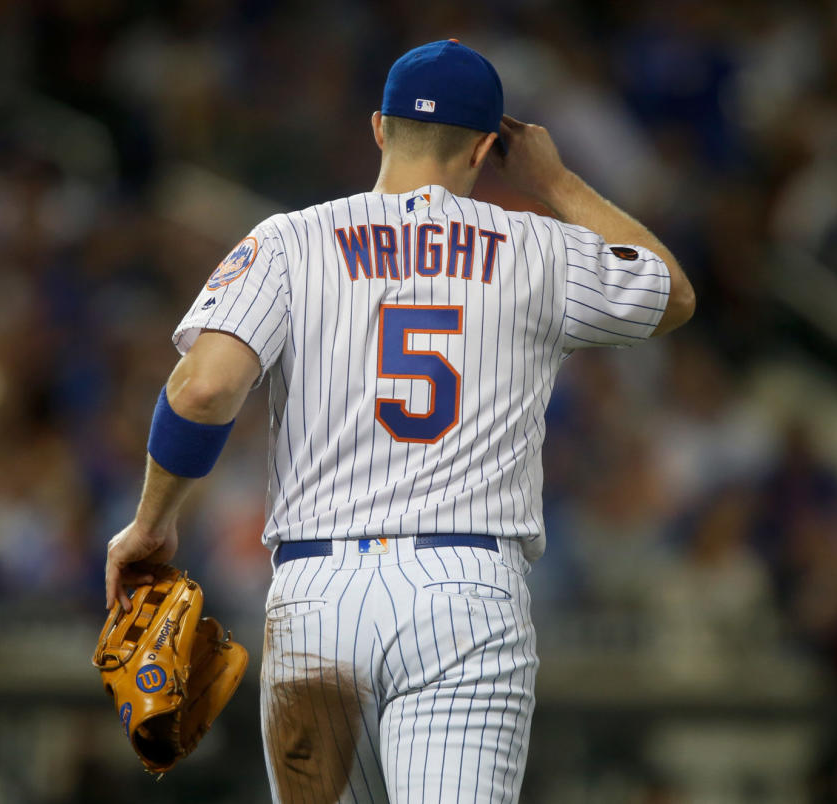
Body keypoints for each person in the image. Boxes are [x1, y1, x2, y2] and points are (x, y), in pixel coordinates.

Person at [103, 39, 694, 802]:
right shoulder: (538, 248)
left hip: (317, 591)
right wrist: (554, 180)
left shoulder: (289, 240)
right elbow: (672, 293)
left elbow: (202, 392)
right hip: (465, 588)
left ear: (379, 128)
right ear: (486, 147)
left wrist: (152, 522)